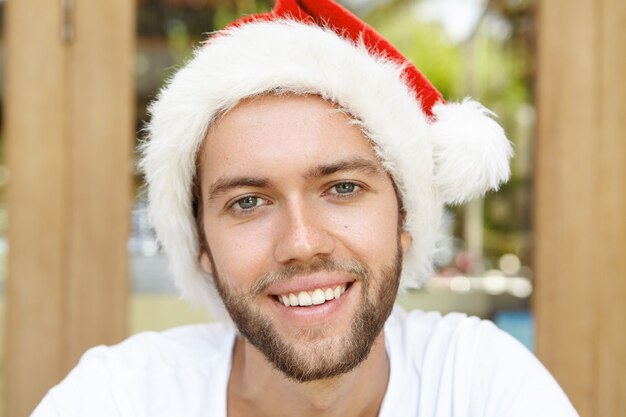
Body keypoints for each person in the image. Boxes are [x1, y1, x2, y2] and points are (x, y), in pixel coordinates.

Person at [33, 0, 579, 416]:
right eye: (248, 201)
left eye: (342, 188)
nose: (301, 242)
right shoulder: (117, 397)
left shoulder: (481, 385)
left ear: (405, 219)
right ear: (200, 244)